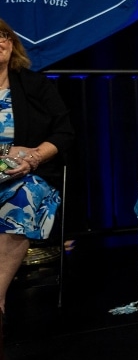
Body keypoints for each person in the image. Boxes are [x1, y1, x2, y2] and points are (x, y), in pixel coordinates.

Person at [0, 19, 74, 324]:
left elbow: (65, 132)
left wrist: (33, 158)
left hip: (28, 173)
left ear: (12, 43)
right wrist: (6, 153)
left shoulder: (34, 85)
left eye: (3, 36)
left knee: (22, 198)